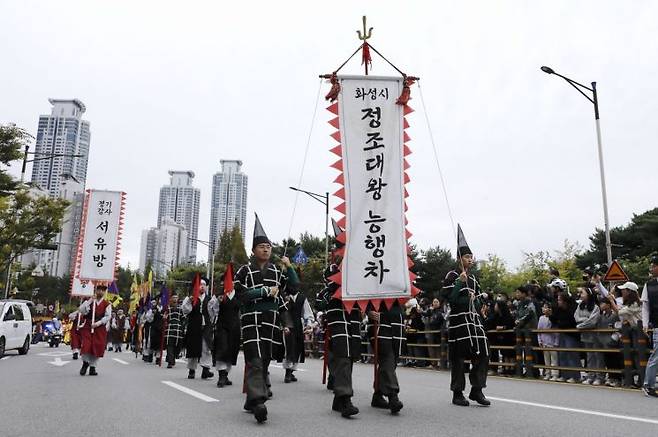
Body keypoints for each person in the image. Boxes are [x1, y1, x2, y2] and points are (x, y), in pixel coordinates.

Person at [234, 213, 296, 423]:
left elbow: (292, 289)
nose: (266, 249)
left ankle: (252, 398)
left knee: (266, 359)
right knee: (256, 359)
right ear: (253, 250)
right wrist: (262, 292)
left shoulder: (278, 271)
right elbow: (239, 295)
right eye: (262, 246)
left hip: (271, 321)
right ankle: (259, 401)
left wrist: (290, 267)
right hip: (251, 319)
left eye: (269, 246)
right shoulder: (244, 270)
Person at [442, 225, 490, 407]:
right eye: (467, 257)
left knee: (484, 353)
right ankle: (457, 392)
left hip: (474, 321)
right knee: (459, 358)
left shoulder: (475, 279)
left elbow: (478, 302)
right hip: (459, 321)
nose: (470, 259)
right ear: (459, 259)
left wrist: (476, 301)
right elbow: (449, 299)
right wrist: (458, 284)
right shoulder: (452, 275)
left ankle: (477, 389)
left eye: (471, 257)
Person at [316, 253, 361, 418]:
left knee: (350, 357)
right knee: (342, 356)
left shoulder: (360, 270)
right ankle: (345, 398)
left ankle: (338, 398)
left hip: (353, 318)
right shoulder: (332, 271)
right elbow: (325, 294)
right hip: (337, 319)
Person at [367, 300, 406, 414]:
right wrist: (368, 311)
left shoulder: (401, 283)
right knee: (387, 359)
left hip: (397, 324)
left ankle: (378, 394)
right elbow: (363, 294)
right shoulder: (373, 282)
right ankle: (393, 396)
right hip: (381, 325)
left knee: (390, 361)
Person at [182, 277, 217, 379]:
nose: (202, 287)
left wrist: (212, 323)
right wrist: (189, 300)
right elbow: (185, 310)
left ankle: (205, 370)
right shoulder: (190, 298)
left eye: (204, 285)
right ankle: (191, 370)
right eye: (200, 285)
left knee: (206, 347)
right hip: (194, 326)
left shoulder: (210, 299)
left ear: (206, 287)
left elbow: (213, 313)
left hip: (206, 327)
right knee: (193, 347)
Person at [283, 278, 315, 383]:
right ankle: (287, 372)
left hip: (297, 326)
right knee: (289, 348)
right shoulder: (283, 297)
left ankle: (291, 371)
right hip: (287, 326)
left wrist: (309, 325)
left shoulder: (302, 298)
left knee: (297, 348)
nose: (294, 287)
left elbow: (307, 313)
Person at [212, 273, 241, 387]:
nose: (229, 283)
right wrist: (218, 302)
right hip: (222, 326)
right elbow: (212, 311)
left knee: (232, 350)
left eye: (231, 281)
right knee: (222, 349)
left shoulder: (239, 295)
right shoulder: (219, 296)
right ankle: (221, 376)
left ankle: (226, 373)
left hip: (235, 327)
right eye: (226, 281)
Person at [78, 283, 113, 376]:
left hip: (99, 327)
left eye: (103, 290)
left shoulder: (107, 304)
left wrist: (98, 323)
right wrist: (89, 301)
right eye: (99, 289)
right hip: (88, 326)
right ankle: (85, 363)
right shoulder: (89, 301)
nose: (100, 292)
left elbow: (108, 316)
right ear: (95, 290)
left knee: (97, 346)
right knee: (86, 345)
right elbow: (81, 310)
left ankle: (93, 367)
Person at [575, 287, 603, 385]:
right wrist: (584, 320)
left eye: (582, 293)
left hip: (595, 336)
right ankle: (591, 375)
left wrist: (580, 326)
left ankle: (599, 376)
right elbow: (576, 317)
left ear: (589, 294)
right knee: (589, 356)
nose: (580, 294)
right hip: (585, 335)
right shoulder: (580, 306)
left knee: (597, 356)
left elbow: (592, 321)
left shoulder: (595, 307)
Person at [550, 292, 580, 383]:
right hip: (562, 333)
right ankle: (564, 374)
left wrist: (561, 324)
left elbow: (572, 321)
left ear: (565, 301)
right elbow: (554, 320)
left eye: (559, 300)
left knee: (571, 354)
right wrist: (551, 314)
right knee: (562, 354)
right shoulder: (558, 310)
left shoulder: (572, 308)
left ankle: (574, 376)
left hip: (571, 334)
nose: (558, 301)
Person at [641, 255, 658, 398]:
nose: (651, 268)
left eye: (654, 265)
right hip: (657, 324)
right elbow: (645, 307)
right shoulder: (649, 285)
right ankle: (648, 385)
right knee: (656, 355)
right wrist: (645, 324)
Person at [537, 303, 559, 381]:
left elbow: (556, 332)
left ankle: (555, 374)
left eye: (546, 307)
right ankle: (547, 373)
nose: (544, 309)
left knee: (554, 360)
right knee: (546, 360)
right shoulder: (541, 318)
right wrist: (539, 341)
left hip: (552, 343)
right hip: (544, 343)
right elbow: (538, 330)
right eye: (543, 307)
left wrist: (556, 342)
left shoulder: (553, 318)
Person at [164, 293, 185, 369]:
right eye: (173, 298)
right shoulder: (168, 308)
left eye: (176, 298)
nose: (175, 299)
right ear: (171, 299)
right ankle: (170, 361)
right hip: (170, 329)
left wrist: (183, 328)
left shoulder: (180, 309)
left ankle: (173, 357)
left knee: (178, 346)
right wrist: (164, 318)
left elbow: (183, 319)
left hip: (178, 330)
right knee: (169, 346)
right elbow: (165, 318)